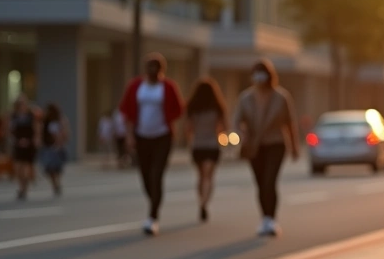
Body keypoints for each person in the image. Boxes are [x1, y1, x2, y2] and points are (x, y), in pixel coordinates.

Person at [119, 53, 185, 236]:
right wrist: (129, 136)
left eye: (156, 67)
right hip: (142, 137)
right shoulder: (136, 86)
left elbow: (178, 109)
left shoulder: (168, 87)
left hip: (162, 137)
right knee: (146, 176)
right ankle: (154, 200)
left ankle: (153, 216)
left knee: (156, 175)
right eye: (150, 67)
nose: (153, 71)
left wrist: (168, 119)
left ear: (161, 70)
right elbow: (127, 112)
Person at [233, 59, 299, 237]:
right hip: (254, 146)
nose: (259, 77)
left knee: (270, 181)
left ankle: (271, 219)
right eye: (256, 73)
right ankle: (264, 218)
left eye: (262, 73)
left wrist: (295, 147)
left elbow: (290, 123)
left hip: (275, 143)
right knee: (261, 183)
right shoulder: (246, 98)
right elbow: (237, 122)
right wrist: (242, 133)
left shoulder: (281, 97)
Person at [185, 77, 227, 223]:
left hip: (198, 144)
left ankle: (201, 201)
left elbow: (188, 128)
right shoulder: (217, 108)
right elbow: (222, 128)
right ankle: (205, 202)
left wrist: (190, 142)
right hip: (212, 144)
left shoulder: (193, 108)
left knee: (201, 176)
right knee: (209, 176)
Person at [10, 96, 39, 199]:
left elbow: (36, 129)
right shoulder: (14, 116)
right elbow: (10, 130)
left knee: (26, 167)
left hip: (28, 144)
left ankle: (24, 189)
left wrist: (34, 140)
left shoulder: (30, 116)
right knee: (18, 168)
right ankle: (21, 186)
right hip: (18, 144)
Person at [40, 103, 69, 196]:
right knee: (49, 168)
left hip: (57, 147)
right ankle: (55, 184)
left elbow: (63, 133)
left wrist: (60, 143)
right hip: (48, 146)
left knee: (56, 168)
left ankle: (57, 184)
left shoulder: (59, 119)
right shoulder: (46, 121)